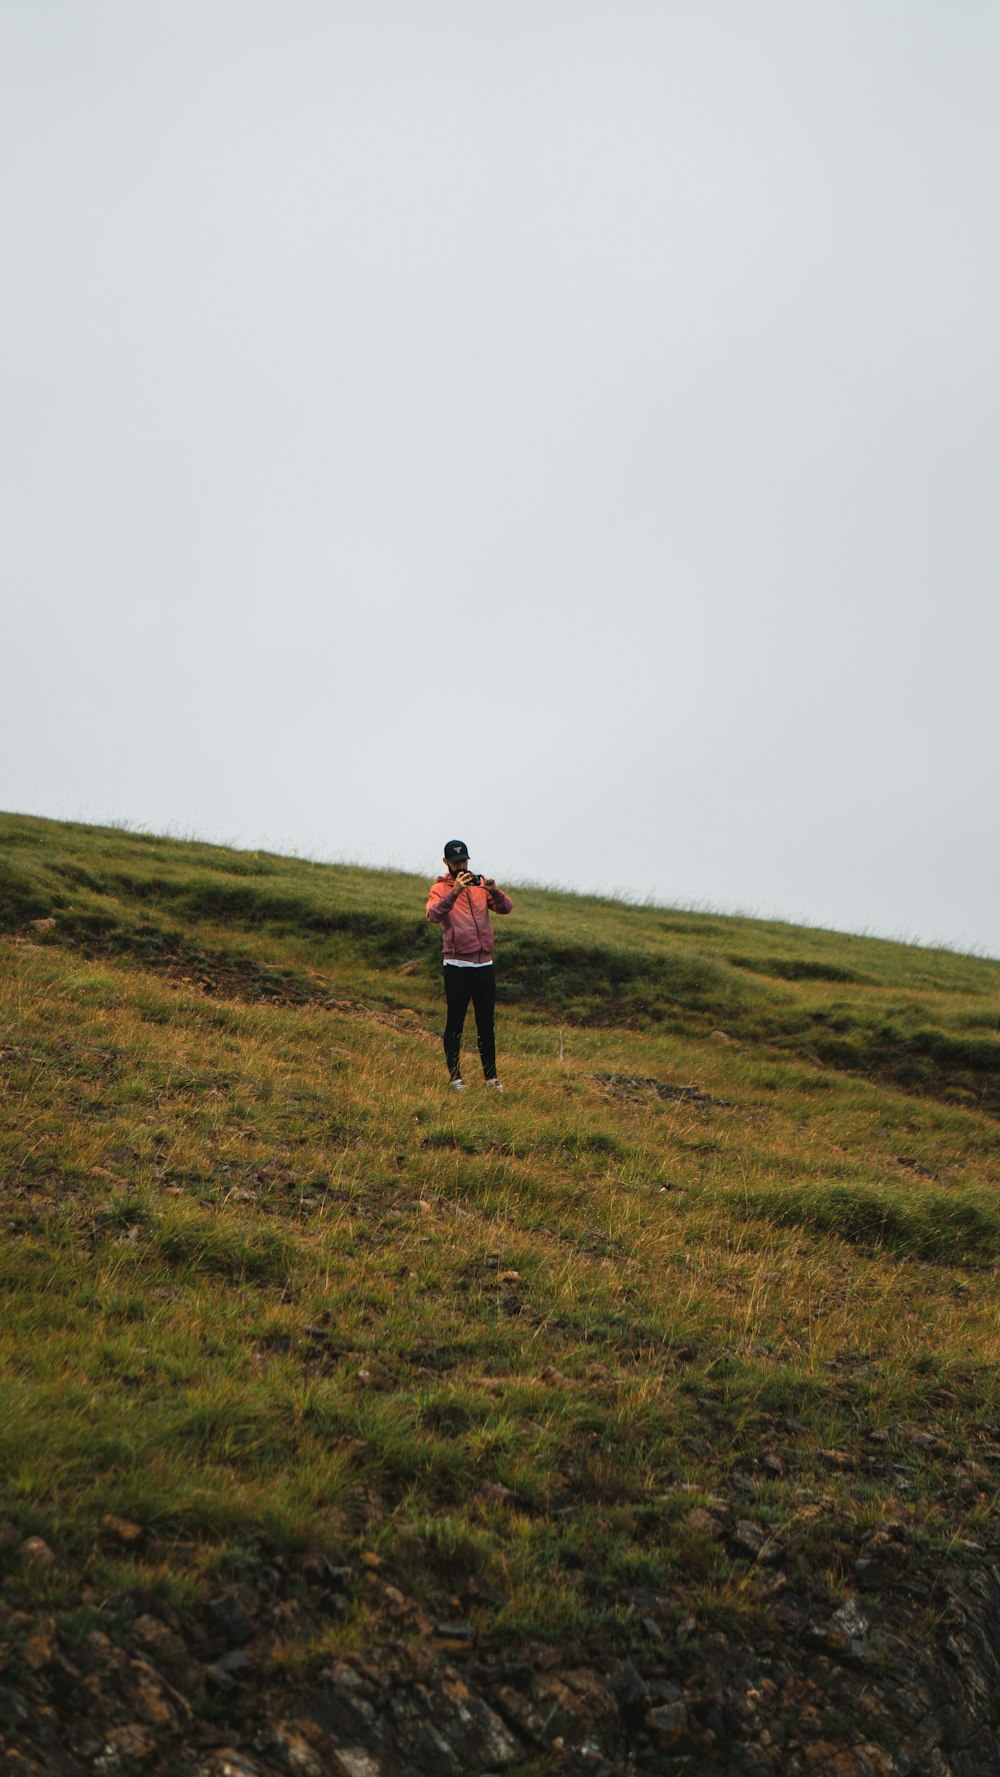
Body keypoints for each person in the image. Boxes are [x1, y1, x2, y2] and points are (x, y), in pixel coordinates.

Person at [425, 840, 514, 1091]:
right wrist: (454, 892)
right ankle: (455, 1078)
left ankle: (491, 1078)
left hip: (484, 964)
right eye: (456, 862)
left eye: (464, 861)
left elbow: (506, 908)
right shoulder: (439, 889)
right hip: (456, 965)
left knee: (486, 1024)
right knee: (455, 1023)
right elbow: (432, 915)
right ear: (446, 863)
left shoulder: (479, 885)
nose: (461, 866)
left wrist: (495, 891)